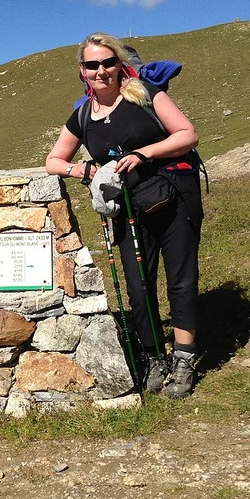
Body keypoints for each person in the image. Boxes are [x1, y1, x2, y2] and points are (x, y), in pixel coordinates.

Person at [46, 33, 203, 399]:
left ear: (119, 64)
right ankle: (154, 357)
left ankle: (184, 358)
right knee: (138, 286)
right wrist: (82, 171)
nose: (101, 71)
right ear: (82, 71)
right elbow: (54, 160)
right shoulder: (83, 115)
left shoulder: (145, 94)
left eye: (107, 62)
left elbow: (187, 134)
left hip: (175, 197)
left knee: (180, 278)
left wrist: (143, 154)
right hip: (128, 207)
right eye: (91, 65)